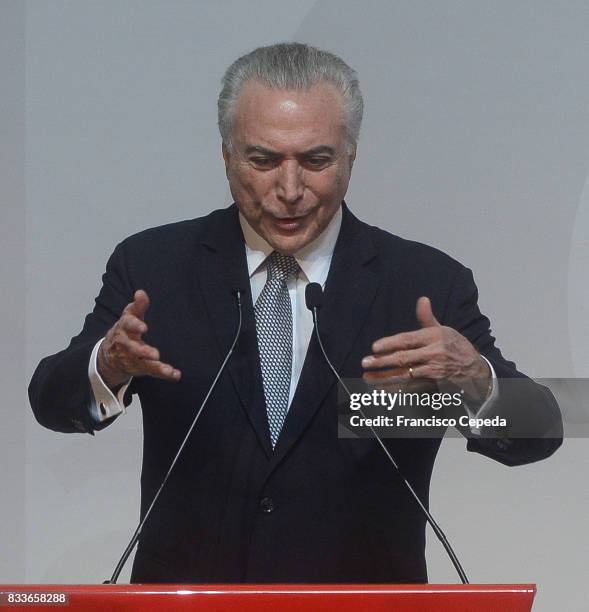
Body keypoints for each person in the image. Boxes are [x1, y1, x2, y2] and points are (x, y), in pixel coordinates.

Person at [29, 42, 562, 584]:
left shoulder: (423, 285)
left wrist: (475, 381)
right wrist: (107, 368)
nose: (289, 190)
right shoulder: (154, 267)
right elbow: (51, 402)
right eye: (262, 160)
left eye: (316, 160)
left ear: (351, 157)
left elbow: (541, 432)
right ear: (226, 156)